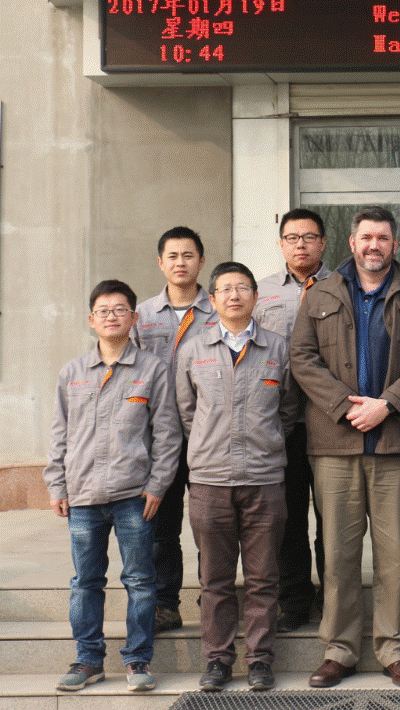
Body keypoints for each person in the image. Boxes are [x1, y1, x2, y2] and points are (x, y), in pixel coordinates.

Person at [290, 206, 400, 688]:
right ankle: (339, 650)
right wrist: (345, 406)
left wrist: (388, 405)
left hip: (398, 440)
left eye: (382, 237)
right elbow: (302, 357)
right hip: (335, 443)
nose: (374, 245)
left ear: (395, 245)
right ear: (352, 243)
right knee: (338, 554)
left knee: (394, 555)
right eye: (366, 237)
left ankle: (394, 648)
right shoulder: (321, 294)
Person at [45, 280, 180, 692]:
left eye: (120, 310)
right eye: (103, 311)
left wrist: (158, 485)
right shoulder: (73, 372)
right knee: (85, 582)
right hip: (83, 496)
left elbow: (168, 434)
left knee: (140, 581)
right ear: (91, 320)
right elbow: (59, 434)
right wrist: (56, 485)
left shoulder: (152, 370)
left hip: (133, 496)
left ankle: (138, 660)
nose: (111, 317)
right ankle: (89, 660)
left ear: (134, 318)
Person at [176, 262, 298, 692]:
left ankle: (260, 660)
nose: (234, 295)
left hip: (264, 480)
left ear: (255, 297)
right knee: (215, 579)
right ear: (212, 299)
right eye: (225, 289)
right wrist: (210, 445)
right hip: (210, 481)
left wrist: (265, 443)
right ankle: (218, 660)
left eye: (242, 287)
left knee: (264, 577)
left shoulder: (278, 348)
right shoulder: (193, 349)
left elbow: (289, 409)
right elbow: (186, 411)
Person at [134, 226, 218, 633]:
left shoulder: (219, 309)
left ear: (201, 261)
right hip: (159, 438)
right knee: (161, 527)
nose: (180, 263)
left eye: (188, 255)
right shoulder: (142, 315)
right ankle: (165, 604)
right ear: (160, 263)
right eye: (172, 256)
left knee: (210, 526)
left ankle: (212, 601)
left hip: (208, 434)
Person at [253, 208, 331, 633]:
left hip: (332, 421)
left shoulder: (343, 286)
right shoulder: (260, 292)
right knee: (288, 517)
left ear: (323, 243)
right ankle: (295, 598)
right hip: (279, 424)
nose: (300, 244)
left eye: (309, 237)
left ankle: (334, 597)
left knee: (333, 518)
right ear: (281, 244)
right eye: (292, 238)